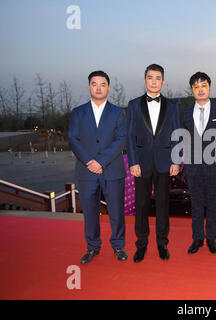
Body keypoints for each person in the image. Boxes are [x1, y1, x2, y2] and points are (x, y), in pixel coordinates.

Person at [68, 70, 127, 264]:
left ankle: (118, 245)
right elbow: (73, 139)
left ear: (108, 87)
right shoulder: (78, 112)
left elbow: (120, 140)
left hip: (112, 170)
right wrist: (89, 162)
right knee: (90, 212)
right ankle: (92, 247)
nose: (99, 87)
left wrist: (101, 161)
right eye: (94, 84)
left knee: (116, 211)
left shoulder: (118, 112)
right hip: (86, 172)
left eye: (103, 84)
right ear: (89, 87)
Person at [126, 64, 180, 262]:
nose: (154, 81)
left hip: (165, 162)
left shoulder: (173, 106)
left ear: (163, 82)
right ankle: (141, 245)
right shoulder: (133, 105)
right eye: (150, 77)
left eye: (158, 78)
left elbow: (177, 135)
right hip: (141, 163)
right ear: (145, 80)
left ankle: (162, 244)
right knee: (141, 205)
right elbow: (130, 136)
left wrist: (176, 160)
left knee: (163, 205)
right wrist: (132, 161)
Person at [180, 72, 216, 255]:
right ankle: (197, 239)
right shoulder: (184, 113)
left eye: (204, 85)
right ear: (192, 90)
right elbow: (180, 139)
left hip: (214, 167)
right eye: (196, 86)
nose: (200, 90)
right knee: (196, 205)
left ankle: (211, 239)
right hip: (192, 168)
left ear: (210, 87)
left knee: (212, 205)